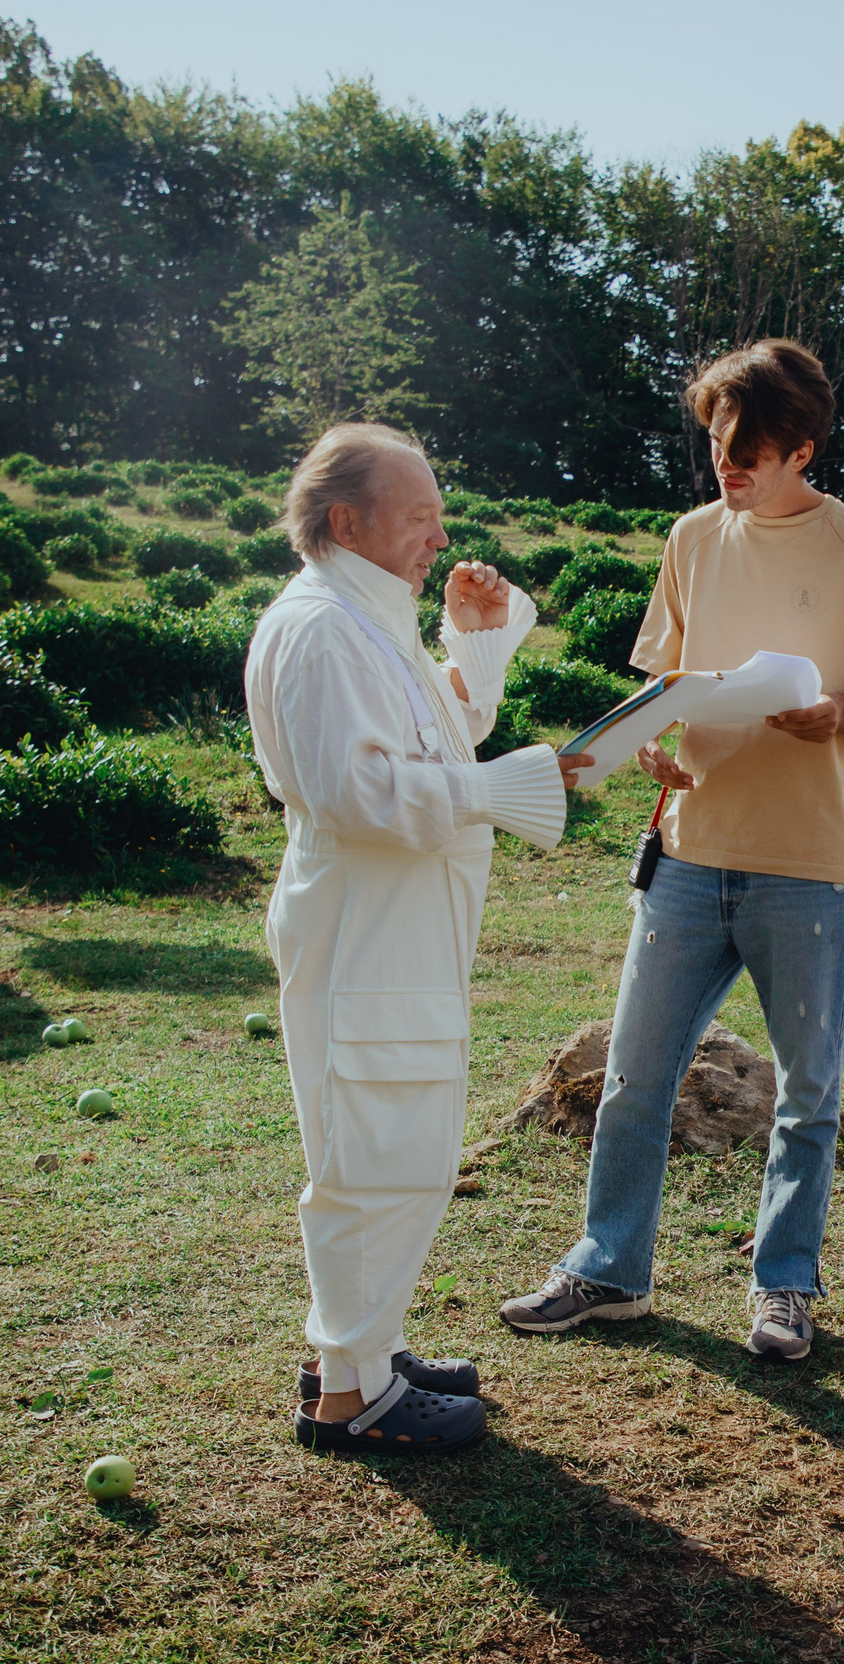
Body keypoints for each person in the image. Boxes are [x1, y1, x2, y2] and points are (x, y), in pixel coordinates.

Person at [500, 339, 844, 1360]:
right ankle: (608, 1268)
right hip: (691, 852)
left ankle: (784, 1286)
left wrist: (838, 711)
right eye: (713, 445)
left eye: (745, 449)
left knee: (807, 1094)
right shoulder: (693, 537)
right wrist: (650, 742)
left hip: (815, 859)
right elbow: (663, 681)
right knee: (634, 1076)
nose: (724, 468)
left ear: (803, 447)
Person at [247, 421, 576, 1454]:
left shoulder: (364, 614)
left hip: (397, 928)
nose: (441, 535)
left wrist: (473, 641)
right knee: (374, 1149)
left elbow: (438, 732)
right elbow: (361, 790)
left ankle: (361, 1352)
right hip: (365, 931)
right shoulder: (321, 628)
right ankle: (353, 1399)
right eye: (420, 516)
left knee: (395, 1140)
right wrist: (515, 785)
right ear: (348, 520)